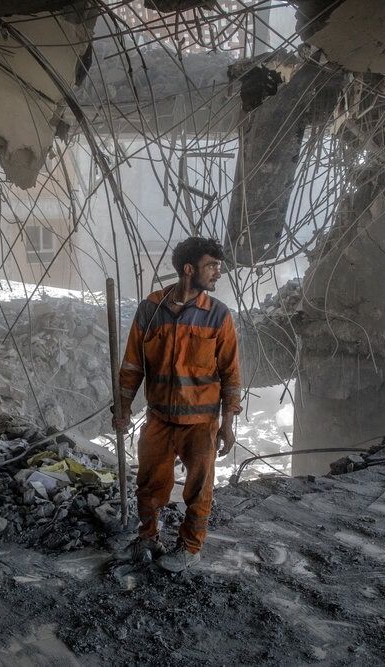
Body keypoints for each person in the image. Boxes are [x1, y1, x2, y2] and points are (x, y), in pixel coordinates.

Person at [112, 237, 242, 572]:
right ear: (189, 269)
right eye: (211, 265)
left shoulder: (218, 316)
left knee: (199, 489)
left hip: (201, 423)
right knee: (149, 484)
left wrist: (227, 422)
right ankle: (148, 537)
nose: (217, 272)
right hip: (158, 419)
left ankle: (189, 547)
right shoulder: (150, 309)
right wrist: (123, 408)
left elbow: (231, 373)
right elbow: (132, 365)